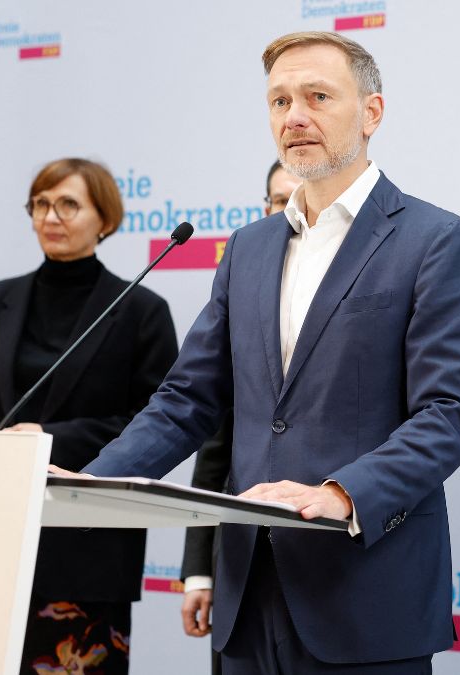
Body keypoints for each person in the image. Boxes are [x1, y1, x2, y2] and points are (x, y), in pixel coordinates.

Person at [81, 31, 460, 674]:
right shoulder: (247, 248)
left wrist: (343, 493)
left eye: (318, 97)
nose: (294, 116)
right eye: (279, 101)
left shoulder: (437, 240)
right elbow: (188, 398)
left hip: (364, 591)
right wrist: (90, 484)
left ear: (372, 113)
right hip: (247, 593)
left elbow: (449, 413)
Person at [0, 157, 179, 674]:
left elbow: (155, 423)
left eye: (68, 204)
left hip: (87, 550)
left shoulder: (141, 311)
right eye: (41, 204)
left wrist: (48, 438)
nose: (51, 216)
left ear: (105, 219)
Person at [179, 161, 301, 674]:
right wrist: (198, 571)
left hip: (335, 564)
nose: (289, 210)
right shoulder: (245, 274)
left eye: (298, 197)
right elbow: (215, 450)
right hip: (241, 573)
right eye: (279, 200)